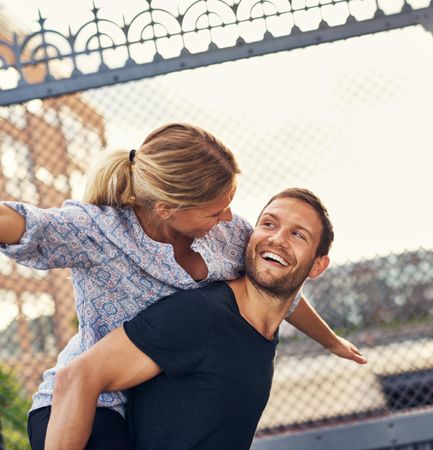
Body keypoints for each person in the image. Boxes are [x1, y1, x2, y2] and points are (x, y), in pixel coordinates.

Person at [0, 123, 366, 449]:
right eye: (215, 210)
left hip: (150, 401)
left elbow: (279, 287)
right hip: (90, 403)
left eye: (229, 204)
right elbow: (25, 224)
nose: (228, 217)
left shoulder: (225, 235)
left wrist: (331, 341)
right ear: (167, 208)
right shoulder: (98, 232)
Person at [46, 188, 338, 450]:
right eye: (269, 224)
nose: (277, 239)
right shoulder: (199, 315)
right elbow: (77, 376)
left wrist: (334, 342)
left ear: (318, 266)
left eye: (298, 234)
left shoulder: (261, 331)